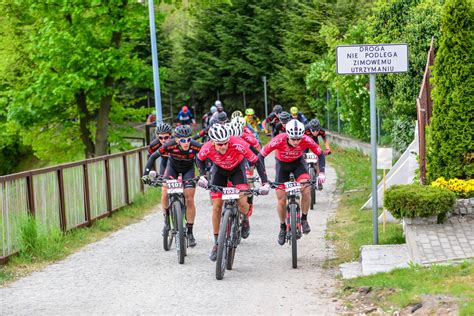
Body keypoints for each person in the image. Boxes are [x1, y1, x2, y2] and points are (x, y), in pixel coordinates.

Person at [196, 124, 270, 261]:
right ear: (212, 142)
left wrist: (264, 183)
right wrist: (202, 176)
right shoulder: (207, 147)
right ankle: (217, 243)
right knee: (216, 206)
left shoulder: (238, 144)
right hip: (219, 171)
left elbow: (256, 160)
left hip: (237, 170)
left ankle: (245, 218)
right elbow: (199, 159)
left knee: (242, 203)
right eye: (220, 144)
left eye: (225, 143)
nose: (223, 147)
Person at [258, 119, 326, 245]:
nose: (296, 142)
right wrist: (264, 180)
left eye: (298, 139)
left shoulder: (306, 139)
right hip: (282, 166)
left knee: (306, 189)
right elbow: (260, 156)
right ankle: (282, 227)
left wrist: (321, 173)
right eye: (293, 139)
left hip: (298, 164)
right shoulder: (279, 139)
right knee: (281, 199)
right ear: (287, 135)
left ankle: (304, 219)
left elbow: (320, 154)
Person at [143, 125, 202, 247]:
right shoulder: (169, 144)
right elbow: (153, 156)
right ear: (176, 140)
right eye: (183, 140)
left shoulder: (195, 145)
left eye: (188, 139)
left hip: (188, 169)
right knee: (165, 193)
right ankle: (166, 221)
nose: (186, 142)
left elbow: (206, 156)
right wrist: (146, 174)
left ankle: (190, 232)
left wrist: (204, 174)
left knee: (189, 199)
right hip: (172, 168)